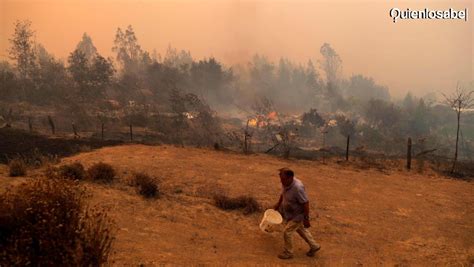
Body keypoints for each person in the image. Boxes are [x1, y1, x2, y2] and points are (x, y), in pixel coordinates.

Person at [273, 167, 320, 259]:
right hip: (290, 213)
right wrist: (278, 205)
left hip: (298, 215)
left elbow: (305, 203)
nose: (281, 181)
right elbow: (283, 193)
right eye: (281, 179)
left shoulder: (298, 188)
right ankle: (314, 246)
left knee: (287, 232)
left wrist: (306, 219)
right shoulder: (286, 183)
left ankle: (288, 252)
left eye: (283, 179)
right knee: (300, 229)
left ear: (290, 178)